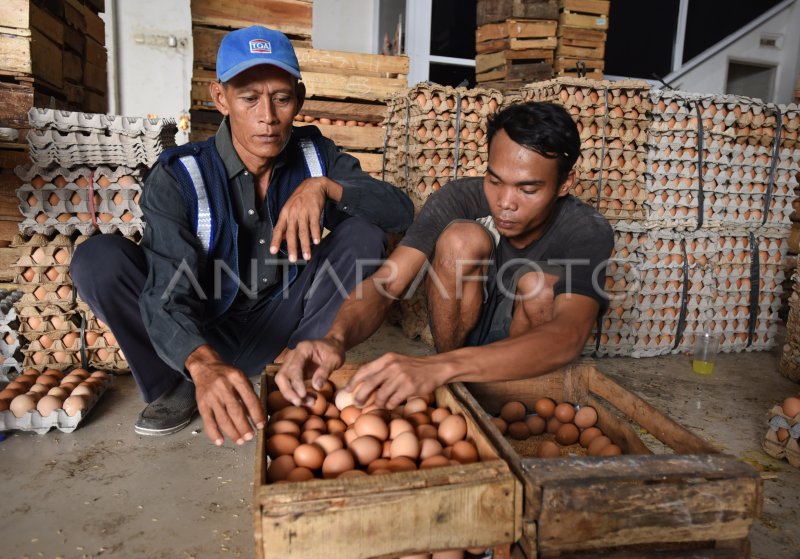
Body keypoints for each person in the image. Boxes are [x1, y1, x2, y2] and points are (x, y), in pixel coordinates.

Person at [70, 25, 414, 444]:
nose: (267, 117)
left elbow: (399, 212)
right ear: (221, 99)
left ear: (299, 99)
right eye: (249, 98)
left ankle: (300, 363)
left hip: (285, 319)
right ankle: (180, 381)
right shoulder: (182, 174)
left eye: (281, 98)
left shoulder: (313, 155)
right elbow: (166, 291)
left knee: (364, 232)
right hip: (204, 324)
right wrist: (200, 361)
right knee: (98, 260)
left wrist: (324, 187)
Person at [275, 101, 614, 409]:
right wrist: (335, 337)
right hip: (462, 338)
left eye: (527, 189)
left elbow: (569, 335)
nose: (505, 202)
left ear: (565, 183)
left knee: (539, 286)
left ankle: (517, 396)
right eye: (495, 181)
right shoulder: (459, 198)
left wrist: (434, 369)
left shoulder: (586, 229)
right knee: (460, 238)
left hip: (524, 353)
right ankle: (456, 387)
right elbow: (385, 284)